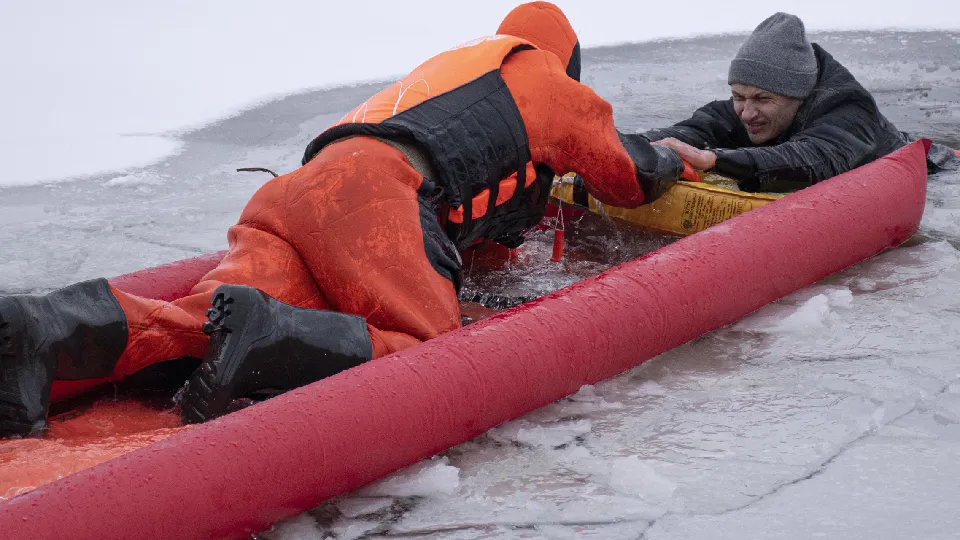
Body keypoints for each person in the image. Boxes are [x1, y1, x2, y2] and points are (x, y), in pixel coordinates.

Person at [0, 1, 684, 437]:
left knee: (206, 313)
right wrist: (680, 159)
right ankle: (273, 336)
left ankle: (52, 325)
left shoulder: (451, 73)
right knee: (431, 353)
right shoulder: (551, 83)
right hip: (374, 200)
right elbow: (625, 177)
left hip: (295, 192)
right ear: (570, 65)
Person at [633, 12, 958, 193]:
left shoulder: (849, 112)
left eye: (763, 99)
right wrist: (626, 145)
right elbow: (694, 129)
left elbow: (811, 160)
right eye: (738, 96)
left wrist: (712, 159)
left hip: (940, 176)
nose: (747, 112)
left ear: (799, 97)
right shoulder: (748, 111)